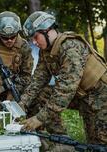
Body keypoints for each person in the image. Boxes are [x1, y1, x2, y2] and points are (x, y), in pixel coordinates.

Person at [20, 11, 107, 145]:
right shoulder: (47, 52)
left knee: (100, 144)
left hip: (101, 98)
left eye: (36, 37)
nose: (34, 42)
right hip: (84, 97)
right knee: (42, 93)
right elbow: (37, 81)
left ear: (47, 31)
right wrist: (21, 105)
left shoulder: (70, 47)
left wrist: (39, 118)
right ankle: (60, 140)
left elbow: (66, 89)